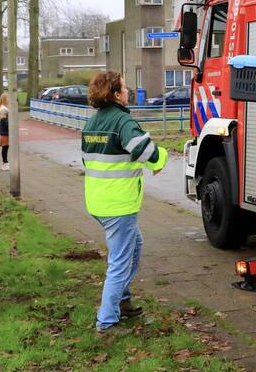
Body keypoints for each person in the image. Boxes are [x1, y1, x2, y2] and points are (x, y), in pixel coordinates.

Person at [81, 70, 168, 333]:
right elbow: (145, 151)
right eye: (125, 87)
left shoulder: (93, 122)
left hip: (98, 201)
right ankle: (107, 321)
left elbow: (88, 160)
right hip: (119, 205)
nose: (128, 91)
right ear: (116, 94)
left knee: (135, 245)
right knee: (119, 262)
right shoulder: (122, 121)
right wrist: (161, 158)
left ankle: (123, 300)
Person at [0, 92, 10, 172]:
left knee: (6, 147)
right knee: (5, 147)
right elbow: (4, 121)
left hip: (5, 130)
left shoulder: (4, 107)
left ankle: (5, 162)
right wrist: (10, 128)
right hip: (5, 131)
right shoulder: (3, 109)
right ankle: (5, 163)